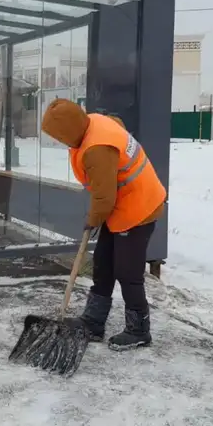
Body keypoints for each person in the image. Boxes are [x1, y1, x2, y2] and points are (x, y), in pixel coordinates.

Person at [40, 98, 167, 351]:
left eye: (59, 136)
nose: (60, 142)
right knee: (103, 263)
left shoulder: (96, 149)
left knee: (127, 271)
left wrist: (92, 221)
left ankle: (139, 330)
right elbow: (117, 125)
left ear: (69, 131)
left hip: (138, 207)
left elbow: (104, 196)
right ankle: (93, 321)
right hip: (122, 205)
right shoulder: (94, 122)